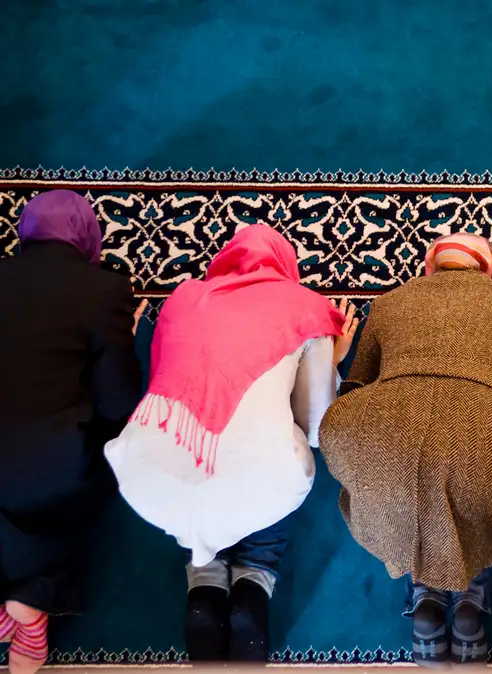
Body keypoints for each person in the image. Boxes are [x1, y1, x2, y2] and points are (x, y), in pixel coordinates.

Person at [104, 224, 356, 662]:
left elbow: (162, 385)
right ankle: (254, 577)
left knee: (194, 449)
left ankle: (205, 577)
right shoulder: (306, 309)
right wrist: (331, 361)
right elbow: (317, 429)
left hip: (148, 482)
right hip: (254, 489)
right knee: (280, 452)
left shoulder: (182, 299)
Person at [320, 232, 492, 666]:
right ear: (491, 269)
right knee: (488, 478)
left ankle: (425, 596)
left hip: (386, 431)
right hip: (485, 428)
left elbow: (356, 383)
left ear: (430, 266)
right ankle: (471, 593)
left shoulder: (388, 303)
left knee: (404, 479)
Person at [0, 190, 144, 674]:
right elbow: (118, 402)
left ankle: (22, 604)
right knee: (101, 455)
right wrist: (123, 342)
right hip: (50, 467)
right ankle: (30, 601)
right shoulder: (104, 290)